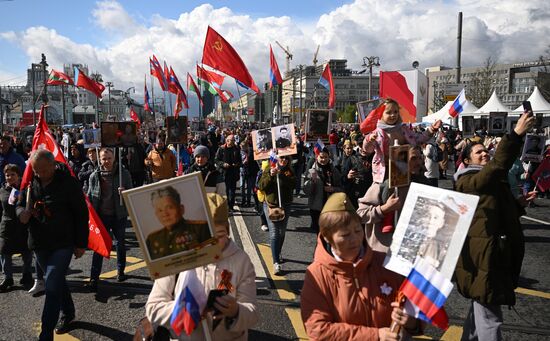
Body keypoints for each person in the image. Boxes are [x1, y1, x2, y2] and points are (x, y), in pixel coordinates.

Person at [453, 112, 536, 341]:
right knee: (489, 315)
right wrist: (516, 135)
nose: (484, 153)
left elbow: (495, 212)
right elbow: (497, 167)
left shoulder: (489, 180)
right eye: (478, 152)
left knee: (481, 308)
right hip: (483, 256)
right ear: (467, 160)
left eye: (485, 150)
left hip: (492, 252)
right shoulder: (467, 180)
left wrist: (518, 205)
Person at [301, 192, 421, 340]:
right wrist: (375, 336)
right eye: (345, 235)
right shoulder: (317, 274)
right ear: (327, 237)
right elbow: (317, 329)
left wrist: (411, 321)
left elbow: (415, 307)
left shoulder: (385, 263)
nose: (355, 239)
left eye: (358, 231)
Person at [145, 193, 258, 340]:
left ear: (228, 230)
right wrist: (184, 311)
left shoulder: (241, 260)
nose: (213, 244)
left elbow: (252, 312)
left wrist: (235, 311)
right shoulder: (178, 257)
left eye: (220, 236)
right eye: (205, 237)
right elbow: (153, 308)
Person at [17, 149, 89, 339]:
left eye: (43, 169)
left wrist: (81, 243)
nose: (40, 174)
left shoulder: (68, 183)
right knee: (55, 281)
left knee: (51, 284)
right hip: (39, 242)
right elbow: (17, 203)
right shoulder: (30, 183)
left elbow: (81, 214)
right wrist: (21, 213)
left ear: (53, 165)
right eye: (36, 170)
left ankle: (46, 333)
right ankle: (68, 312)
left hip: (63, 242)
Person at [358, 146, 429, 253]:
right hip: (382, 254)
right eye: (414, 158)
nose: (419, 162)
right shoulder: (384, 184)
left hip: (408, 251)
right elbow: (360, 215)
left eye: (420, 158)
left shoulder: (421, 184)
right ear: (402, 160)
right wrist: (384, 209)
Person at [363, 98, 440, 184]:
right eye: (388, 112)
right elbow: (367, 150)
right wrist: (369, 139)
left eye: (395, 112)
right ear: (381, 114)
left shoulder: (403, 129)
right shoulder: (377, 131)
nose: (393, 115)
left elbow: (418, 139)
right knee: (381, 193)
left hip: (406, 170)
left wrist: (431, 129)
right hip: (384, 173)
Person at [86, 148, 133, 291]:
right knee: (100, 248)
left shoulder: (123, 174)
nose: (106, 161)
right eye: (103, 158)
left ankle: (120, 271)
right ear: (99, 159)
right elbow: (89, 195)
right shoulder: (94, 176)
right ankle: (94, 277)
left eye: (109, 158)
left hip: (119, 215)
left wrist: (124, 192)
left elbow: (132, 192)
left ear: (114, 159)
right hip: (102, 216)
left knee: (120, 244)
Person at [146, 186, 211, 260]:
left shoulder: (201, 228)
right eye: (160, 210)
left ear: (181, 208)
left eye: (169, 207)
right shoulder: (152, 239)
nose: (165, 214)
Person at [258, 155, 295, 275]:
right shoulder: (268, 169)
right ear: (276, 159)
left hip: (286, 205)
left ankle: (277, 252)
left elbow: (294, 185)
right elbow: (261, 186)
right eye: (281, 158)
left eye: (286, 158)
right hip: (271, 205)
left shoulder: (289, 171)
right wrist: (271, 175)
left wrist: (282, 176)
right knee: (274, 233)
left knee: (282, 232)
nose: (283, 160)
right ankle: (275, 262)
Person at [0, 164, 33, 292]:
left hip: (22, 225)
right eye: (7, 175)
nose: (9, 177)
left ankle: (27, 274)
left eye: (13, 174)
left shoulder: (25, 189)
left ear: (19, 176)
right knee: (4, 252)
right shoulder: (2, 191)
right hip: (6, 226)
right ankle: (8, 278)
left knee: (26, 251)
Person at [303, 148, 342, 232]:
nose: (323, 159)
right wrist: (312, 181)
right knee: (319, 233)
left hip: (331, 207)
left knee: (329, 233)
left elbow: (342, 188)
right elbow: (306, 191)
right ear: (317, 157)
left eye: (326, 157)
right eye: (321, 157)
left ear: (329, 157)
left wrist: (333, 189)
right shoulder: (311, 171)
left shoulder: (334, 170)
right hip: (316, 207)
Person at [215, 135, 241, 211]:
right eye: (231, 140)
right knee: (225, 190)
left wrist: (237, 164)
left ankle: (231, 206)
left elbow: (240, 160)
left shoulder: (236, 149)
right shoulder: (221, 149)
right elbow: (216, 159)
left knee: (232, 191)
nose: (232, 142)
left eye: (233, 141)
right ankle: (225, 206)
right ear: (227, 141)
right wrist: (223, 164)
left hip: (233, 172)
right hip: (223, 173)